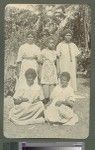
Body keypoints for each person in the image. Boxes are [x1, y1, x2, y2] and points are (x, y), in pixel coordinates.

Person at [40, 39, 58, 104]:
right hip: (45, 68)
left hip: (52, 68)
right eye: (50, 43)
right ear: (47, 44)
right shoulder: (44, 51)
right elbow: (39, 60)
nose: (52, 44)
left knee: (52, 82)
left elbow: (57, 62)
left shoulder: (55, 52)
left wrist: (58, 69)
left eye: (53, 43)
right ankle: (46, 98)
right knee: (45, 82)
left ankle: (51, 98)